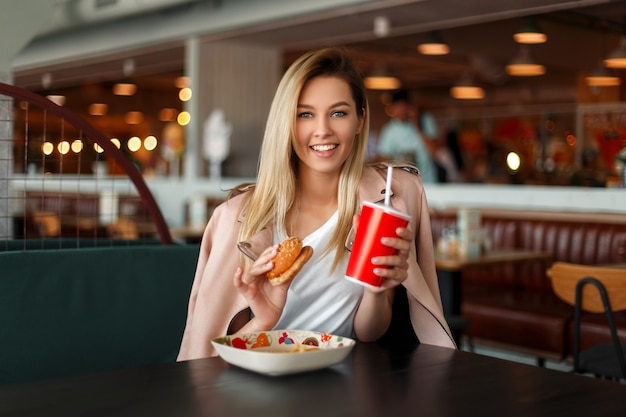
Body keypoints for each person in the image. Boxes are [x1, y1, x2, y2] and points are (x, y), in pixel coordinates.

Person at [177, 47, 455, 361]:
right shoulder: (237, 219)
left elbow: (369, 332)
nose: (322, 129)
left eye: (338, 112)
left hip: (342, 385)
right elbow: (207, 360)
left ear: (360, 119)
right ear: (287, 122)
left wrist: (376, 290)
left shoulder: (384, 202)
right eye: (305, 114)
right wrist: (265, 320)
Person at [376, 90, 438, 184]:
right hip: (402, 184)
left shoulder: (425, 121)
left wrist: (417, 125)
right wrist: (399, 159)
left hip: (428, 182)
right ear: (392, 108)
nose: (401, 111)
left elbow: (434, 151)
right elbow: (382, 159)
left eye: (404, 106)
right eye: (398, 107)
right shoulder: (389, 131)